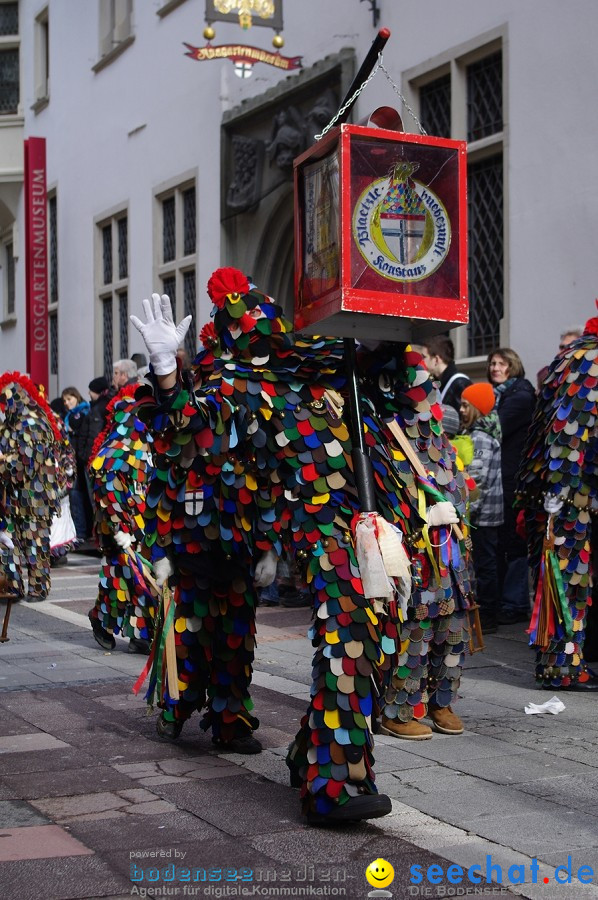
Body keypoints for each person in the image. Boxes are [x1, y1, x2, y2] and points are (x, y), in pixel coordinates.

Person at [517, 311, 598, 690]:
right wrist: (559, 495)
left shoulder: (579, 356)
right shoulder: (586, 360)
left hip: (572, 495)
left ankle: (569, 663)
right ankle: (562, 669)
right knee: (564, 580)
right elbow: (569, 435)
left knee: (571, 580)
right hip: (564, 499)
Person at [87, 384, 157, 655]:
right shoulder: (121, 442)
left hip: (142, 523)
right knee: (119, 578)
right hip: (119, 527)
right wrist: (119, 527)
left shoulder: (149, 441)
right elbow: (105, 480)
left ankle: (141, 633)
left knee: (142, 579)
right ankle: (99, 619)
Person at [0, 372, 71, 602]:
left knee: (35, 544)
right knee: (19, 544)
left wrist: (2, 462)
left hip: (35, 499)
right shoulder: (12, 424)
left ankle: (39, 588)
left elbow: (22, 465)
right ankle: (15, 586)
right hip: (16, 498)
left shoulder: (32, 423)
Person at [487, 348, 535, 625]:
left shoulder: (520, 396)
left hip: (512, 478)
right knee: (502, 540)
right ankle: (507, 601)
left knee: (514, 543)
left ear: (512, 366)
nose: (494, 367)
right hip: (500, 478)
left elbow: (496, 428)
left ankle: (515, 604)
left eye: (501, 363)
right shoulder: (501, 394)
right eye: (492, 363)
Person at [459, 383, 503, 634]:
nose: (462, 409)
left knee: (485, 565)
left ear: (477, 408)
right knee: (485, 563)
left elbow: (478, 481)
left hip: (483, 515)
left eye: (466, 405)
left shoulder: (480, 438)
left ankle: (488, 614)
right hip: (484, 513)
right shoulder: (477, 434)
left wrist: (468, 513)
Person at [61, 386, 91, 542]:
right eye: (65, 400)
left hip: (82, 460)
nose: (67, 403)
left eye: (69, 399)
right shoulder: (69, 416)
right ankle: (80, 531)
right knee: (76, 495)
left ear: (77, 397)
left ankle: (84, 531)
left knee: (82, 495)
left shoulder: (84, 412)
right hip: (73, 461)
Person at [420, 335, 471, 413]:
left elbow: (465, 419)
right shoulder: (436, 382)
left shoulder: (460, 384)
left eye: (424, 357)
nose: (421, 361)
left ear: (436, 360)